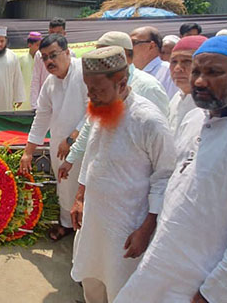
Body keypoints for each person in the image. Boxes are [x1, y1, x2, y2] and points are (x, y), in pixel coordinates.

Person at [115, 36, 227, 303]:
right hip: (160, 262)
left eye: (214, 72)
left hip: (201, 282)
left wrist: (216, 292)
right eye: (197, 71)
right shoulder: (194, 119)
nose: (200, 81)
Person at [66, 46, 175, 303]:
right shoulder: (100, 108)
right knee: (91, 281)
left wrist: (146, 229)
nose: (92, 96)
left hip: (127, 227)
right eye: (88, 90)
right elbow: (92, 156)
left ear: (122, 83)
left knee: (122, 289)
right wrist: (80, 196)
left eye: (99, 90)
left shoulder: (149, 120)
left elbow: (165, 176)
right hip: (93, 220)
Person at [60, 31, 171, 179]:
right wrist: (71, 159)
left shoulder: (148, 88)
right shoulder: (99, 90)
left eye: (104, 53)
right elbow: (91, 129)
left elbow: (162, 163)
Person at [20, 33, 88, 241]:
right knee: (64, 187)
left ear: (67, 52)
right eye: (44, 57)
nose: (49, 61)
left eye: (53, 55)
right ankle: (67, 224)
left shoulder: (85, 73)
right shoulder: (49, 84)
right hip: (60, 145)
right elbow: (41, 118)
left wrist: (72, 139)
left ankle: (85, 230)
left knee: (84, 186)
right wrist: (27, 153)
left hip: (84, 143)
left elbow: (93, 110)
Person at [168, 35, 208, 131]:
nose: (178, 68)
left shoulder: (212, 104)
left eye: (187, 61)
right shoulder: (177, 97)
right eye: (174, 61)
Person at [130, 26, 178, 98]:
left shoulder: (169, 72)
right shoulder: (130, 73)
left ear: (151, 46)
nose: (129, 47)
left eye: (134, 43)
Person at [30, 17, 67, 109]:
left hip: (65, 101)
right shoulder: (40, 54)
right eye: (52, 33)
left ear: (64, 34)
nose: (54, 37)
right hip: (46, 101)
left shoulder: (70, 54)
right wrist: (34, 105)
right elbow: (36, 79)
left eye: (58, 33)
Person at [18, 31, 42, 110]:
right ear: (29, 45)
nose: (40, 48)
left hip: (39, 98)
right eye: (38, 45)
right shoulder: (22, 59)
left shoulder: (43, 60)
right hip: (23, 99)